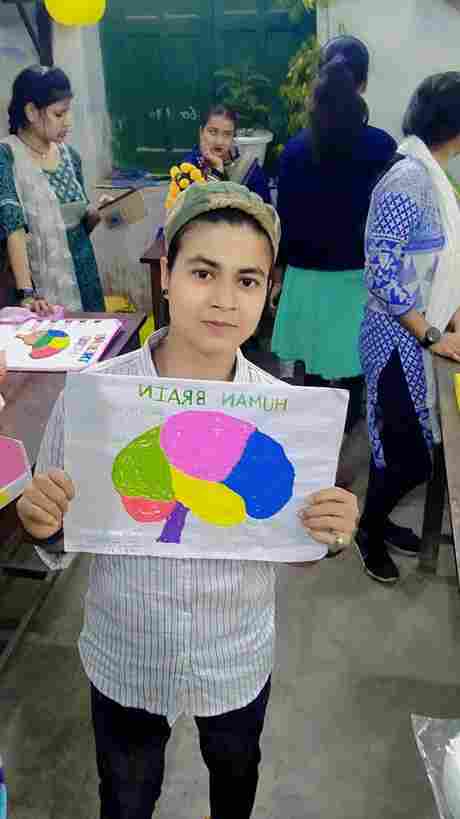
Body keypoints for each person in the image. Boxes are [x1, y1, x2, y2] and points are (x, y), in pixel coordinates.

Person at [17, 181, 358, 819]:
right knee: (126, 797)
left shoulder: (287, 417)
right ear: (167, 274)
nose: (225, 300)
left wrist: (329, 534)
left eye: (247, 280)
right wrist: (45, 524)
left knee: (235, 779)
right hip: (127, 654)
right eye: (204, 272)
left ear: (268, 292)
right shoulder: (95, 400)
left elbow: (294, 545)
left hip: (234, 656)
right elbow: (62, 536)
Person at [356, 72, 460, 584]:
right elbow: (381, 274)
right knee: (410, 457)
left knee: (406, 450)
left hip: (416, 334)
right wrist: (432, 334)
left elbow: (438, 265)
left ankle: (380, 523)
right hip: (396, 342)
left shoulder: (431, 177)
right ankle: (367, 532)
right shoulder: (409, 181)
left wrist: (450, 319)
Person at [271, 35, 396, 437]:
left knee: (311, 369)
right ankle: (349, 426)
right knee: (356, 368)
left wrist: (278, 274)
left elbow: (285, 221)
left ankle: (315, 434)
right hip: (360, 280)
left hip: (306, 279)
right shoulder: (382, 146)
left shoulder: (293, 150)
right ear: (363, 83)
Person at [0, 65, 105, 314]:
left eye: (68, 112)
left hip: (85, 280)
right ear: (31, 112)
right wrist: (27, 294)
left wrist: (96, 214)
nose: (68, 122)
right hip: (39, 292)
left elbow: (78, 227)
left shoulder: (71, 157)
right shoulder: (7, 156)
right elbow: (13, 227)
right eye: (59, 114)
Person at [181, 104, 272, 203]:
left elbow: (265, 210)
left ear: (233, 137)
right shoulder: (188, 167)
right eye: (212, 132)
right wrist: (217, 170)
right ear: (201, 132)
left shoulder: (249, 169)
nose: (219, 141)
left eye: (227, 134)